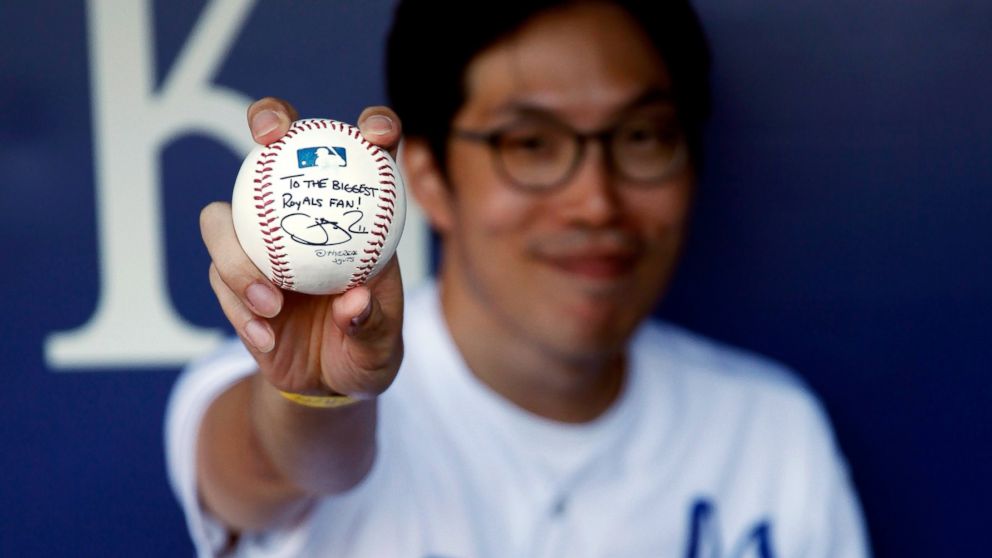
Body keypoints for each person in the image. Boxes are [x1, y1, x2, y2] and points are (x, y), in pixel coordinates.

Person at [166, 0, 871, 556]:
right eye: (530, 144)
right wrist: (311, 393)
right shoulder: (251, 396)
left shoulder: (772, 430)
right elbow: (274, 470)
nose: (597, 201)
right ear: (428, 179)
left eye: (641, 137)